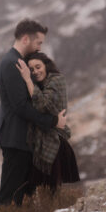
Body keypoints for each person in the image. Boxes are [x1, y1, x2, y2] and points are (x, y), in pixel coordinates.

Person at [0, 19, 67, 205]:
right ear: (26, 39)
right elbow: (21, 106)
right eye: (38, 43)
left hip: (24, 140)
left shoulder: (19, 62)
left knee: (22, 198)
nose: (39, 47)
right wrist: (52, 121)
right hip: (16, 139)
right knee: (9, 197)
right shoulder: (12, 64)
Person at [19, 51, 80, 189]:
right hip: (43, 141)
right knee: (42, 190)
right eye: (31, 69)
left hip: (55, 142)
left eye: (38, 67)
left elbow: (43, 104)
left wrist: (28, 80)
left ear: (46, 66)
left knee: (51, 189)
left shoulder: (57, 80)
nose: (35, 71)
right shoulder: (41, 85)